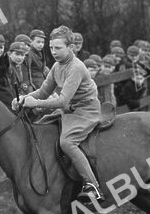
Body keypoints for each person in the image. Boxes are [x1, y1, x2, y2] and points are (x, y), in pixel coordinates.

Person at [14, 26, 102, 203]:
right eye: (51, 48)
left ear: (70, 47)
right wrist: (24, 98)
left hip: (86, 110)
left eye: (58, 48)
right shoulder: (56, 66)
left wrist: (35, 103)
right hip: (70, 109)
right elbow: (43, 92)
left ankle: (93, 186)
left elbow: (62, 101)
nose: (53, 52)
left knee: (67, 142)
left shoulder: (76, 67)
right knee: (42, 127)